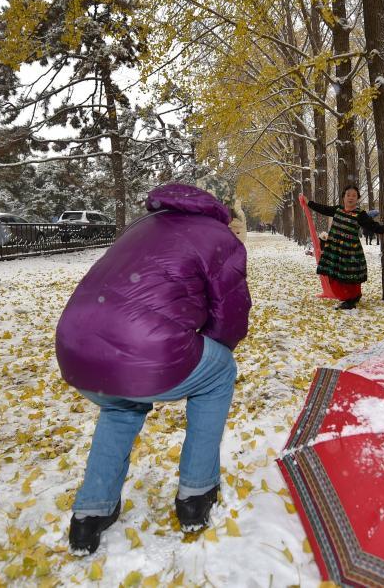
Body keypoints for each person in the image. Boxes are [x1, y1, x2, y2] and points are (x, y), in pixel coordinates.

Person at [55, 183, 251, 554]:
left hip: (75, 345)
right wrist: (201, 345)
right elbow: (230, 318)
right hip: (144, 347)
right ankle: (197, 492)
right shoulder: (218, 236)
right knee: (220, 370)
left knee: (119, 405)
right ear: (216, 211)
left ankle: (91, 514)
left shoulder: (142, 224)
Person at [300, 185, 384, 310]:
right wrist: (308, 202)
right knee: (336, 274)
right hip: (335, 250)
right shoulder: (337, 210)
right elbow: (323, 209)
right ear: (343, 197)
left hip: (350, 252)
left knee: (348, 275)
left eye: (354, 195)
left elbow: (372, 225)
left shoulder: (360, 214)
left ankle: (350, 299)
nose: (351, 198)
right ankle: (352, 296)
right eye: (348, 195)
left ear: (357, 199)